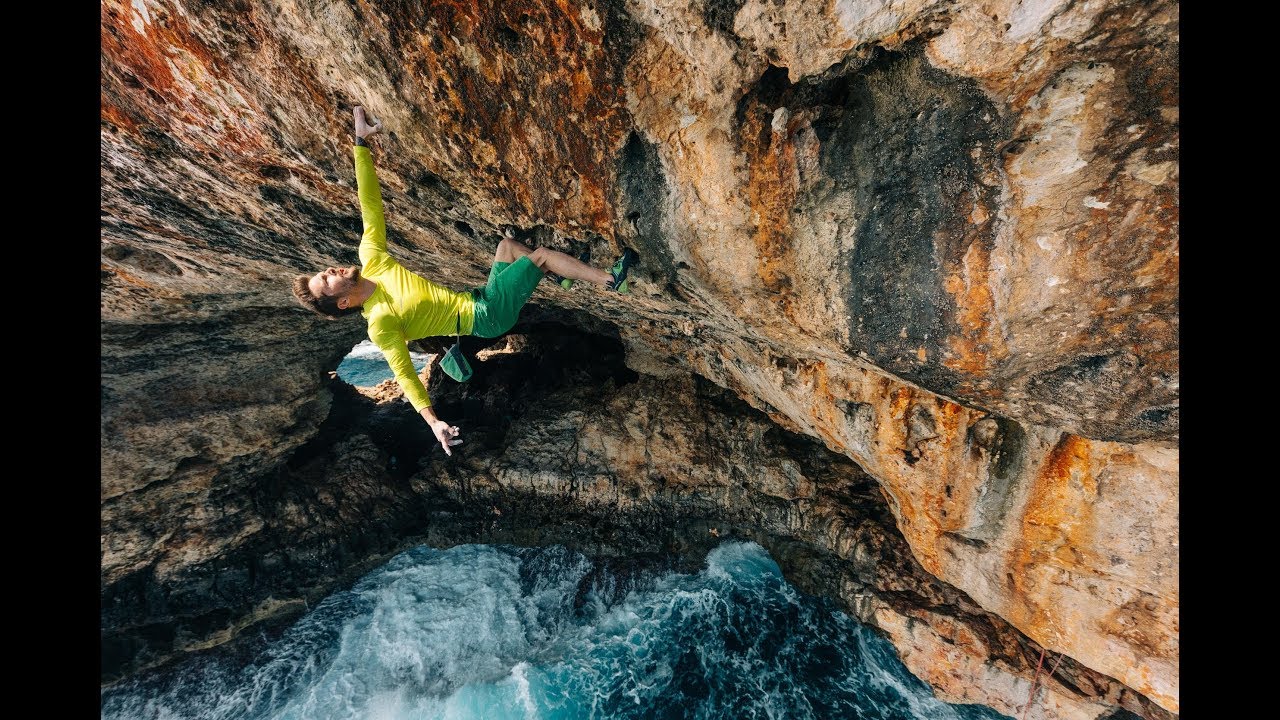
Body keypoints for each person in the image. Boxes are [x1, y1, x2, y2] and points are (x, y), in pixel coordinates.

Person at [292, 106, 639, 456]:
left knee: (507, 246)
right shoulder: (380, 322)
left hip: (479, 298)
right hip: (485, 318)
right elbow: (405, 376)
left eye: (325, 271)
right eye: (326, 280)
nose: (330, 271)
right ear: (342, 302)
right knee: (542, 255)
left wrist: (361, 144)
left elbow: (370, 206)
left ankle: (563, 276)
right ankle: (612, 279)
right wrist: (433, 422)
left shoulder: (372, 260)